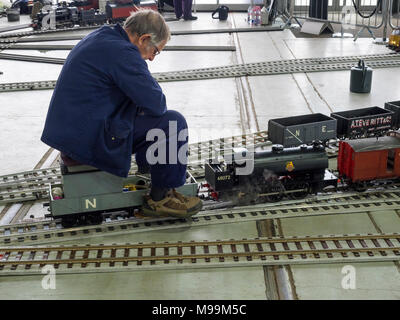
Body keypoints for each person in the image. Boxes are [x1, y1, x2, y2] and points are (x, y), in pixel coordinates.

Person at [40, 10, 202, 218]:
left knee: (141, 113)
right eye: (155, 51)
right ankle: (161, 199)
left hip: (75, 133)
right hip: (89, 139)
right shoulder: (124, 53)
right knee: (173, 123)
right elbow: (156, 104)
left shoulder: (103, 36)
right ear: (144, 39)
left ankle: (151, 171)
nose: (152, 58)